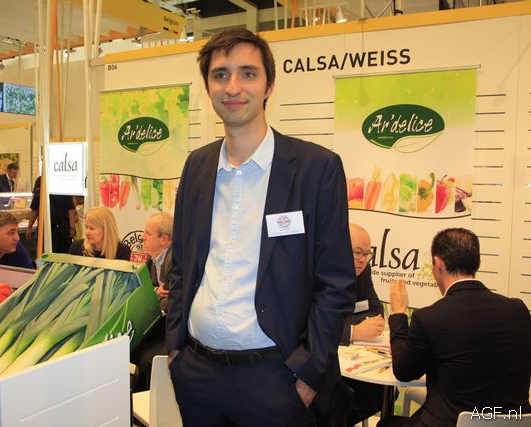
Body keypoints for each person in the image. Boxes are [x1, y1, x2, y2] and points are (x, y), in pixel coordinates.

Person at [166, 28, 356, 427]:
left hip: (276, 380)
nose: (233, 87)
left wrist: (309, 374)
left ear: (269, 85)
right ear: (208, 87)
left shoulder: (315, 169)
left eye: (248, 73)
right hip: (197, 376)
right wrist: (175, 349)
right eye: (220, 75)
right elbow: (182, 265)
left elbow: (335, 283)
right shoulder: (197, 166)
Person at [379, 228, 531, 427]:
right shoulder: (519, 310)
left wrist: (398, 314)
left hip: (451, 422)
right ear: (476, 262)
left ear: (438, 263)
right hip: (514, 422)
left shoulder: (430, 317)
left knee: (386, 423)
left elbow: (403, 371)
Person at [342, 223, 387, 426]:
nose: (362, 260)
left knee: (382, 393)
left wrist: (349, 324)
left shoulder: (363, 269)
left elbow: (376, 311)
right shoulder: (319, 273)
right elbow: (313, 322)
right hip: (323, 360)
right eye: (357, 252)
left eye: (367, 254)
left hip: (351, 357)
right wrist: (354, 331)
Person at [131, 212, 174, 391]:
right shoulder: (151, 258)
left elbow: (172, 302)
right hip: (157, 323)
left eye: (148, 233)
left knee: (146, 357)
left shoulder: (176, 261)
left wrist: (154, 295)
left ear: (164, 240)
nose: (142, 237)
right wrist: (156, 293)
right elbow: (144, 292)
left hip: (172, 329)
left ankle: (150, 395)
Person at [25, 176, 76, 253]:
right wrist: (29, 227)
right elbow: (35, 210)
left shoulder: (63, 187)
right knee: (45, 253)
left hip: (61, 229)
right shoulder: (41, 185)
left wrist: (72, 228)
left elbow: (71, 209)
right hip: (45, 228)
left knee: (60, 253)